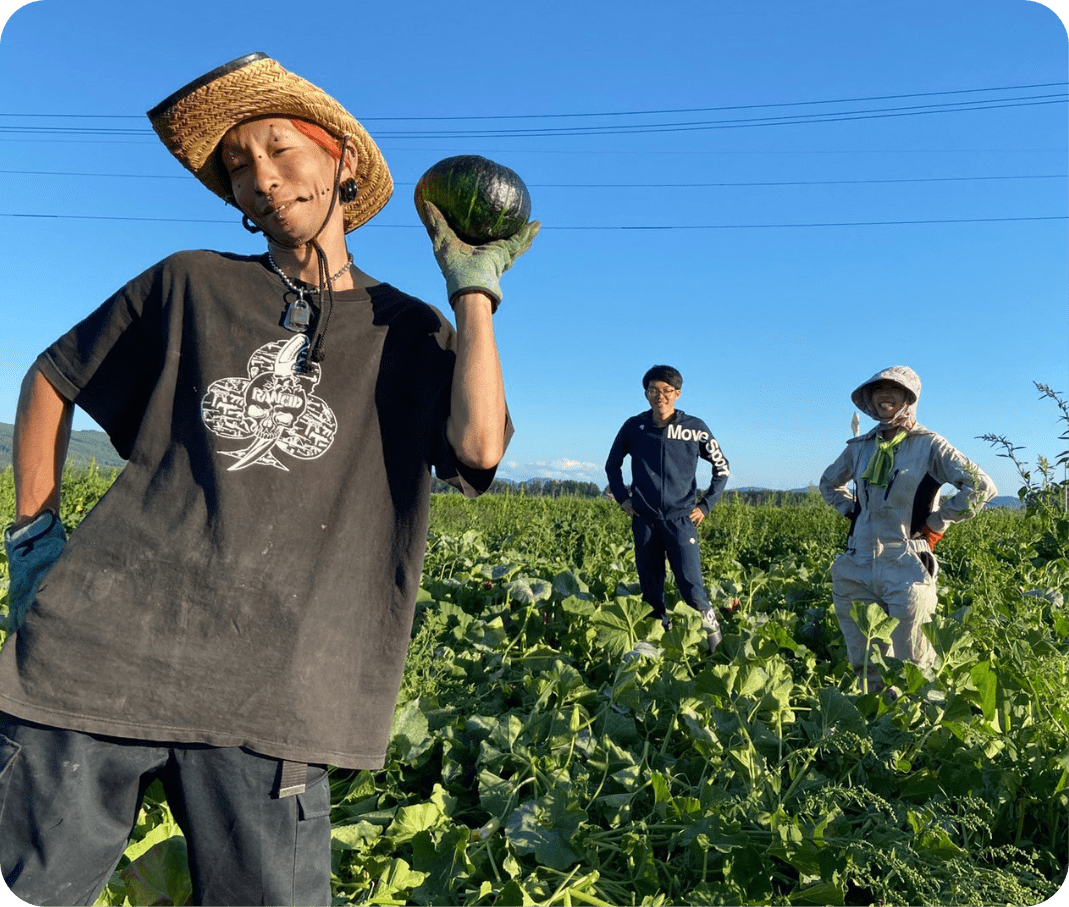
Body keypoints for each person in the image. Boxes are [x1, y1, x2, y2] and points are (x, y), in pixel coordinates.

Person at [0, 52, 537, 907]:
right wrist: (32, 537)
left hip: (276, 690)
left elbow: (477, 448)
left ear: (342, 161)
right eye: (240, 166)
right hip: (95, 655)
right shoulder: (189, 282)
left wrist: (474, 291)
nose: (262, 179)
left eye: (281, 151)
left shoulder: (410, 331)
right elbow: (50, 378)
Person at [819, 365, 996, 692]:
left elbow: (981, 487)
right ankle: (876, 732)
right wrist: (852, 512)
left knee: (913, 665)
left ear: (909, 398)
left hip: (907, 564)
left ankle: (918, 734)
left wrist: (937, 522)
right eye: (878, 390)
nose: (885, 395)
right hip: (856, 566)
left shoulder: (929, 445)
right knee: (864, 663)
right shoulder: (860, 447)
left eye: (895, 389)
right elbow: (829, 484)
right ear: (870, 400)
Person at [605, 365, 730, 652]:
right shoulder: (634, 427)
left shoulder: (694, 428)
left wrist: (706, 505)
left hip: (680, 520)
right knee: (651, 590)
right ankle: (655, 651)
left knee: (692, 588)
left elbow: (721, 468)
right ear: (646, 393)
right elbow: (612, 465)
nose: (659, 396)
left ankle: (717, 650)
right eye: (653, 390)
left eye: (666, 391)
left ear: (677, 394)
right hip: (645, 521)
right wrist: (624, 498)